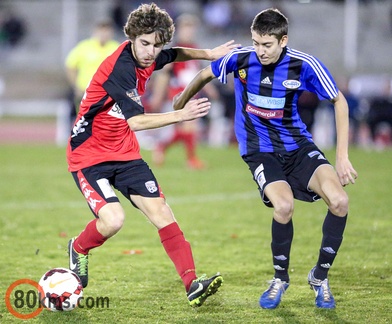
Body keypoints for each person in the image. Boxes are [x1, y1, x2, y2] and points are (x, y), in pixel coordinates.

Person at [174, 8, 358, 309]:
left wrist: (342, 157)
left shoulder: (304, 64)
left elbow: (339, 101)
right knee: (283, 206)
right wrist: (180, 102)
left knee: (339, 202)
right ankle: (280, 279)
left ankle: (319, 277)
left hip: (298, 147)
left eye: (267, 45)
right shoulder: (242, 59)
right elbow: (205, 73)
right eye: (256, 43)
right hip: (259, 151)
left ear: (283, 40)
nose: (260, 51)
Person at [66, 3, 239, 307]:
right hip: (89, 155)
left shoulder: (153, 54)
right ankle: (79, 248)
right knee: (114, 220)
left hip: (125, 153)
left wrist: (208, 53)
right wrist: (180, 115)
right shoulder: (119, 67)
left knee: (162, 212)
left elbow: (174, 54)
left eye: (156, 45)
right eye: (144, 43)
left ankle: (192, 285)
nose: (150, 51)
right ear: (132, 37)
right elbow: (136, 122)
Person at [149, 13, 220, 169]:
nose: (189, 32)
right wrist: (158, 95)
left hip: (192, 93)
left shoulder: (195, 50)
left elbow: (199, 74)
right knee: (190, 126)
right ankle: (191, 159)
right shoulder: (175, 51)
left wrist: (209, 89)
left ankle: (162, 147)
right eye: (186, 29)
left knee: (186, 129)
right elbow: (164, 74)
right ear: (178, 30)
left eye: (191, 29)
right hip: (178, 93)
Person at [65, 20, 120, 122]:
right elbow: (70, 66)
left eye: (107, 31)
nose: (104, 34)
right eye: (102, 31)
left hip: (107, 92)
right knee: (85, 121)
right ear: (95, 32)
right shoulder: (84, 47)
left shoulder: (116, 47)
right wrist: (75, 86)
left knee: (104, 122)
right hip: (85, 91)